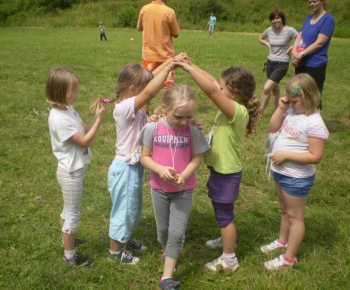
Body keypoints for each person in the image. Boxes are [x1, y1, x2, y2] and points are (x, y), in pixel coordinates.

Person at [178, 56, 260, 272]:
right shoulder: (233, 106)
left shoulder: (237, 111)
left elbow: (211, 91)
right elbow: (215, 85)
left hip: (227, 173)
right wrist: (192, 64)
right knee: (221, 211)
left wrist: (187, 68)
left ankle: (229, 259)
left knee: (225, 215)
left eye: (224, 87)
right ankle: (226, 239)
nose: (218, 87)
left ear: (232, 93)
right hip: (221, 170)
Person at [106, 58, 180, 265]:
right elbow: (149, 92)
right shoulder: (123, 108)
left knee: (132, 208)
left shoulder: (133, 105)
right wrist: (170, 69)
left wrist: (169, 63)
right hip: (125, 169)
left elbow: (147, 89)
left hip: (133, 167)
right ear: (133, 89)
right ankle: (115, 252)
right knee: (124, 210)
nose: (148, 93)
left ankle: (124, 238)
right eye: (144, 88)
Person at [138, 84, 210, 290]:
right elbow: (144, 157)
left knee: (177, 233)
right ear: (164, 108)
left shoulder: (193, 130)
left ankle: (166, 277)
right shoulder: (152, 127)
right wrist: (160, 169)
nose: (184, 122)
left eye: (189, 117)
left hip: (183, 190)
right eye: (179, 117)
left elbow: (198, 157)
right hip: (159, 188)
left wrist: (185, 176)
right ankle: (166, 251)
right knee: (163, 230)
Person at [261, 73, 329, 270]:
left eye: (294, 101)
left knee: (295, 216)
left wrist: (286, 156)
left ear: (309, 97)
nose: (290, 104)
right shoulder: (291, 112)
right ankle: (283, 241)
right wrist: (282, 108)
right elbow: (273, 129)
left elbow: (316, 156)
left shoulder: (315, 122)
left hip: (296, 177)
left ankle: (289, 258)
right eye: (288, 100)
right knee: (285, 210)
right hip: (282, 172)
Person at [46, 68, 107, 267]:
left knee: (69, 210)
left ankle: (67, 241)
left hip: (73, 170)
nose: (77, 94)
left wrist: (95, 117)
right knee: (72, 213)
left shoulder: (67, 110)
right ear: (59, 91)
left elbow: (84, 130)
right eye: (73, 91)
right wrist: (99, 118)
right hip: (70, 172)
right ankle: (70, 255)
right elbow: (85, 142)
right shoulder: (59, 118)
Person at [137, 0, 180, 114]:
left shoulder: (144, 9)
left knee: (146, 83)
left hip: (148, 55)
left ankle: (145, 111)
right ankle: (164, 112)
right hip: (166, 56)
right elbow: (176, 33)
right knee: (167, 86)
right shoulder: (169, 12)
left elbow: (139, 27)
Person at [292, 0, 335, 112]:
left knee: (313, 97)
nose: (311, 4)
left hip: (315, 65)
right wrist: (294, 53)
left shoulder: (328, 19)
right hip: (301, 63)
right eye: (309, 2)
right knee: (299, 93)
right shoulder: (309, 18)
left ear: (322, 2)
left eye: (314, 1)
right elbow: (300, 36)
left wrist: (301, 54)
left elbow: (319, 43)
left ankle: (316, 126)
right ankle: (302, 123)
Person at [258, 10, 298, 115]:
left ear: (282, 19)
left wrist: (292, 47)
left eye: (277, 18)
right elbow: (260, 38)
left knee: (267, 88)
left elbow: (302, 39)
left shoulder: (289, 30)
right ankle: (278, 112)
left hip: (282, 64)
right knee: (274, 89)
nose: (275, 20)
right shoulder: (269, 30)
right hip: (270, 62)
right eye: (273, 18)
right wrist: (267, 44)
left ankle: (259, 113)